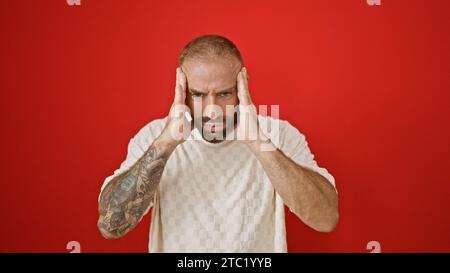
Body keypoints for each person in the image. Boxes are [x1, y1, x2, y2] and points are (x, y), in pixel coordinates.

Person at [97, 34, 339, 252]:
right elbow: (111, 226)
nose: (212, 110)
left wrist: (259, 144)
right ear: (181, 89)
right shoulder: (154, 137)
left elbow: (326, 219)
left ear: (242, 86)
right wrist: (165, 144)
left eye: (224, 94)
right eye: (198, 95)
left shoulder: (276, 134)